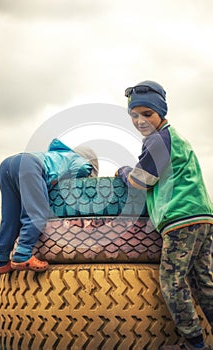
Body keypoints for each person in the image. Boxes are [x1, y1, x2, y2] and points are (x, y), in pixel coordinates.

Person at [116, 80, 213, 350]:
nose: (140, 120)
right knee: (204, 282)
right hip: (202, 216)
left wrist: (124, 171)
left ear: (161, 112)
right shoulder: (176, 138)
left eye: (147, 114)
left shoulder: (159, 140)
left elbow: (141, 181)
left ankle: (195, 344)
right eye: (134, 115)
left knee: (172, 281)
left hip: (180, 218)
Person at [0, 139, 99, 275]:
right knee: (38, 213)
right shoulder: (79, 160)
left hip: (6, 165)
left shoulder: (58, 156)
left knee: (11, 217)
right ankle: (23, 254)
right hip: (29, 165)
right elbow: (83, 169)